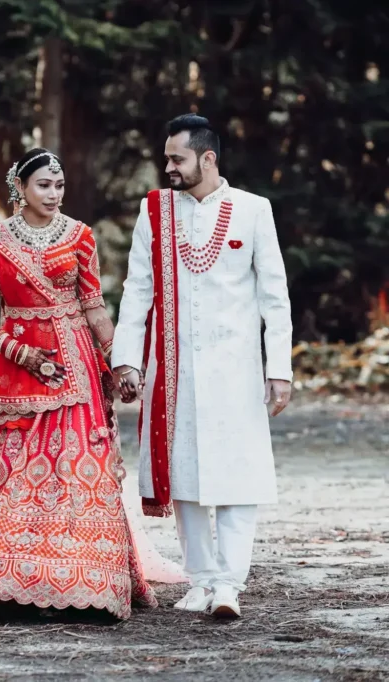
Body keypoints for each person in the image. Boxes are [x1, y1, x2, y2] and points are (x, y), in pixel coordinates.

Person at [0, 148, 158, 621]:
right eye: (43, 186)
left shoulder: (79, 237)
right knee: (19, 476)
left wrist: (120, 363)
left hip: (76, 367)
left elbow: (94, 306)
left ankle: (93, 586)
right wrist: (15, 349)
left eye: (59, 186)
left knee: (82, 470)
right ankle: (15, 588)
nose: (54, 194)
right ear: (20, 188)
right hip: (19, 372)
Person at [111, 114, 293, 619]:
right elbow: (137, 288)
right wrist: (126, 358)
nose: (167, 166)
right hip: (174, 368)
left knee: (238, 472)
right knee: (183, 473)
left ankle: (230, 583)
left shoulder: (253, 211)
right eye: (166, 157)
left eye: (177, 158)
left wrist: (279, 368)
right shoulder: (156, 212)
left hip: (236, 367)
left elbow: (274, 297)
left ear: (207, 159)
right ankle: (201, 579)